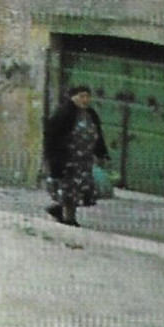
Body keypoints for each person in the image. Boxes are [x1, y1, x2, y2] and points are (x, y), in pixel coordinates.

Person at [42, 84, 109, 227]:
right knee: (69, 189)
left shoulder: (91, 114)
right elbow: (52, 136)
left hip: (84, 160)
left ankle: (59, 210)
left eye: (87, 96)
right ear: (73, 98)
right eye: (81, 96)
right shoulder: (64, 113)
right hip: (68, 160)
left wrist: (101, 153)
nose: (85, 100)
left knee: (80, 190)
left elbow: (98, 135)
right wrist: (54, 159)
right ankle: (69, 218)